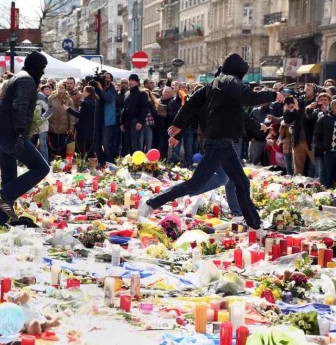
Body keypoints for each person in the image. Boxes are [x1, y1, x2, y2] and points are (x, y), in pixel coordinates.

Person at [139, 53, 283, 238]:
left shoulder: (215, 84)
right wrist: (273, 94)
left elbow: (192, 104)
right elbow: (246, 97)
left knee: (242, 182)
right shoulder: (230, 80)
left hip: (223, 142)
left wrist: (178, 123)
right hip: (219, 142)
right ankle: (151, 203)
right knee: (195, 184)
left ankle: (255, 226)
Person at [0, 51, 49, 226]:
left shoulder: (17, 77)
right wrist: (21, 133)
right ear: (36, 67)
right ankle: (4, 196)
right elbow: (19, 105)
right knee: (41, 168)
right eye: (42, 68)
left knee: (9, 178)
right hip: (11, 135)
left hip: (0, 133)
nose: (43, 72)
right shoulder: (27, 80)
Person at [64, 86, 100, 160]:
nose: (82, 92)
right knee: (90, 150)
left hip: (83, 129)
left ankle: (79, 165)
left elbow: (80, 115)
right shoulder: (96, 102)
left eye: (84, 91)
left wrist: (68, 109)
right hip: (92, 130)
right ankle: (91, 165)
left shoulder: (85, 102)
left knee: (80, 149)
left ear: (89, 93)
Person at [121, 74, 148, 154]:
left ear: (137, 82)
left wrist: (140, 122)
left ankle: (137, 164)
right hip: (126, 122)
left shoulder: (142, 93)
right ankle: (129, 163)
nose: (130, 82)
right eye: (130, 80)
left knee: (135, 145)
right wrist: (122, 123)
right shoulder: (127, 93)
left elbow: (144, 109)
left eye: (133, 80)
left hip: (136, 121)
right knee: (127, 144)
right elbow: (124, 109)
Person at [47, 82, 74, 160]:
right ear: (56, 88)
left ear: (65, 89)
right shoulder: (51, 98)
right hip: (52, 127)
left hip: (64, 127)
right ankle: (53, 163)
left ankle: (64, 163)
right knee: (53, 145)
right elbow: (47, 112)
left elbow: (71, 115)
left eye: (62, 87)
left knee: (63, 146)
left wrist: (71, 128)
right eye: (59, 87)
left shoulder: (69, 100)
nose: (60, 89)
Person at [314, 99, 336, 188]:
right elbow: (317, 136)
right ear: (333, 108)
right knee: (328, 173)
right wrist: (322, 149)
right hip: (328, 150)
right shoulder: (324, 118)